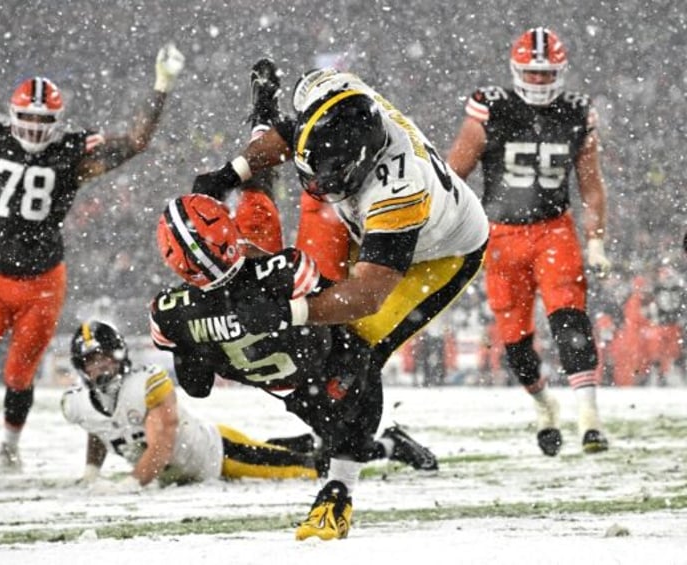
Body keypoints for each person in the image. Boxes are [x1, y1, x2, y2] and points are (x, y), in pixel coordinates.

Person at [189, 66, 488, 540]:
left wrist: (291, 313)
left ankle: (339, 489)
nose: (318, 184)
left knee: (355, 354)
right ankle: (338, 434)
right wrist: (233, 171)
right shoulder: (337, 101)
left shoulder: (399, 189)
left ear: (361, 162)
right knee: (298, 305)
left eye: (329, 177)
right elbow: (292, 135)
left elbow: (367, 296)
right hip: (361, 224)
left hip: (435, 255)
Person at [0, 22, 185, 476]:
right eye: (27, 119)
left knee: (19, 374)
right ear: (12, 115)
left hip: (43, 282)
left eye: (44, 122)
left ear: (58, 124)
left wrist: (161, 86)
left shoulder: (69, 153)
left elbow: (136, 142)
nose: (33, 128)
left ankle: (9, 448)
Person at [446, 27, 610, 456]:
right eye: (532, 74)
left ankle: (589, 419)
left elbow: (591, 186)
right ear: (517, 70)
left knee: (569, 320)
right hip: (500, 234)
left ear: (560, 71)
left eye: (546, 73)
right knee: (516, 343)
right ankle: (545, 406)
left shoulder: (577, 111)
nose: (539, 81)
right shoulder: (490, 107)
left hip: (554, 228)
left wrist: (595, 240)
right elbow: (453, 176)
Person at [63, 319, 332, 490]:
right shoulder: (78, 403)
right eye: (90, 360)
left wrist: (132, 482)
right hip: (189, 464)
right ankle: (303, 442)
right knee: (267, 451)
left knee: (306, 470)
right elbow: (98, 426)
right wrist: (91, 471)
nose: (99, 365)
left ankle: (347, 451)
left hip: (215, 455)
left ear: (119, 355)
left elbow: (162, 446)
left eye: (104, 357)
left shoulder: (145, 384)